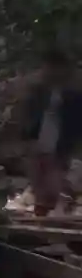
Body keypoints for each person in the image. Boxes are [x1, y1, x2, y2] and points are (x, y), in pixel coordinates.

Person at [23, 49, 82, 216]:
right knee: (39, 187)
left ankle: (60, 216)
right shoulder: (37, 91)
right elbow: (29, 118)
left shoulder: (74, 95)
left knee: (58, 187)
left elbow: (75, 126)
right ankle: (40, 216)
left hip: (60, 148)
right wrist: (29, 140)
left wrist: (68, 151)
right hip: (39, 144)